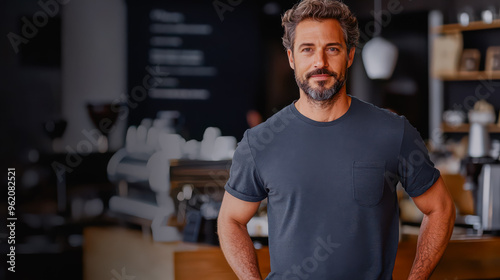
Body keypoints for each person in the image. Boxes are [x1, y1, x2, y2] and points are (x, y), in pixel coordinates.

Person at [217, 0, 456, 279]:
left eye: (332, 49)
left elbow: (441, 208)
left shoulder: (394, 132)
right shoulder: (259, 142)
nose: (320, 62)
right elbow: (230, 219)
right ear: (292, 58)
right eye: (307, 50)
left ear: (350, 55)